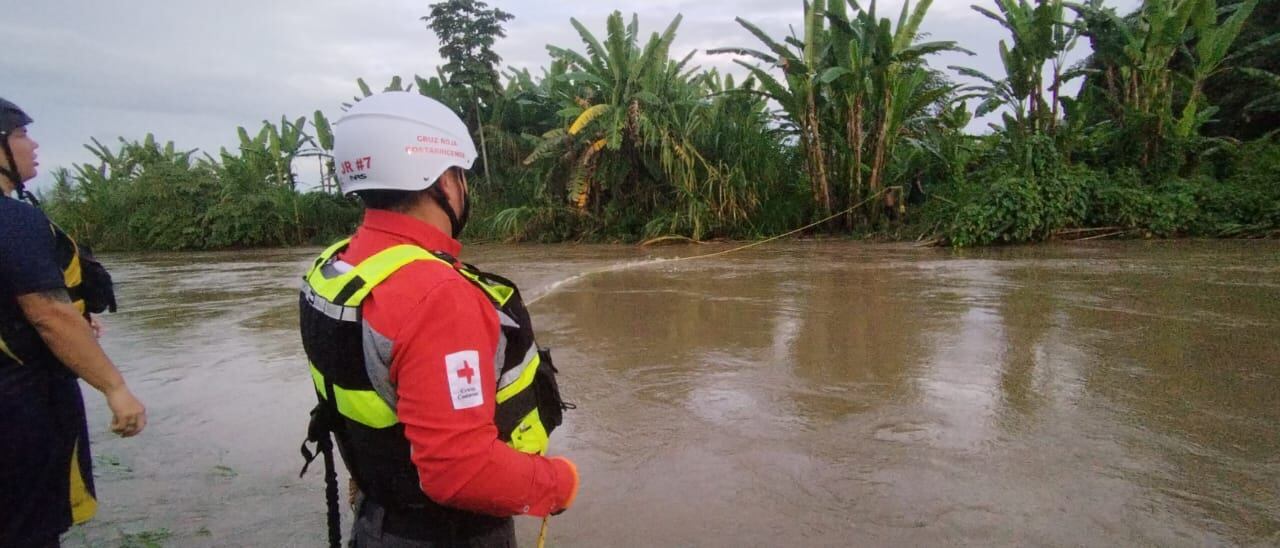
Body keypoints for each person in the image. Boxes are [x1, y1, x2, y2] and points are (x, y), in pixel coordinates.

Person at [298, 91, 579, 547]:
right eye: (460, 175)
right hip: (442, 533)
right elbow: (460, 471)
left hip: (377, 515)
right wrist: (558, 483)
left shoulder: (338, 268)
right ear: (443, 181)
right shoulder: (438, 296)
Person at [0, 97, 146, 547]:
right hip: (20, 403)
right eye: (21, 134)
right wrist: (115, 388)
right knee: (30, 530)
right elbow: (49, 314)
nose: (33, 143)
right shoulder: (12, 220)